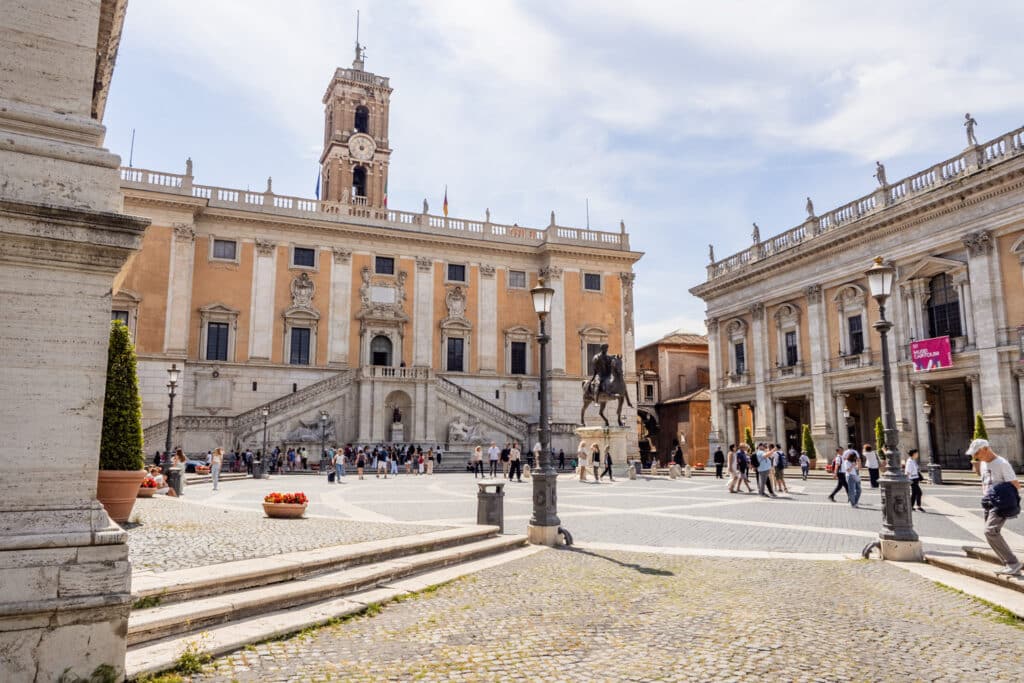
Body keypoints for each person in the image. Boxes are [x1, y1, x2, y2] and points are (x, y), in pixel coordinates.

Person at [968, 439, 1021, 576]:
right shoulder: (984, 463)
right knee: (991, 533)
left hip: (1000, 503)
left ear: (986, 448)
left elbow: (1016, 485)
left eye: (977, 453)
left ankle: (1013, 563)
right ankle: (1009, 564)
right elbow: (985, 482)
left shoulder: (1002, 463)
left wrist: (1006, 500)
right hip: (988, 502)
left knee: (990, 531)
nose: (975, 456)